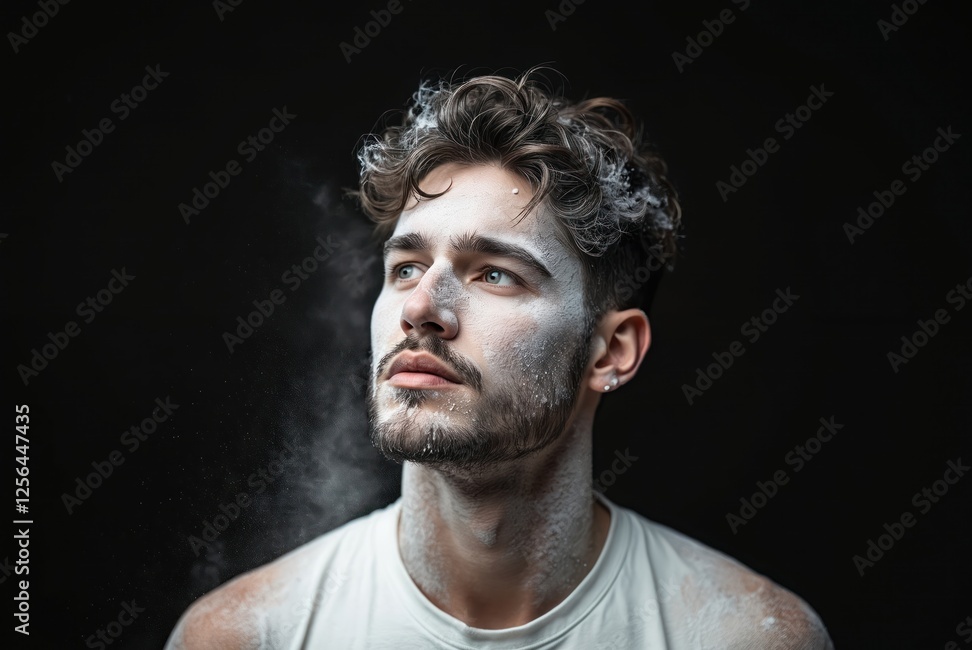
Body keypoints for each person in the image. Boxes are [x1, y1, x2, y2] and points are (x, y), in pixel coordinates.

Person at [167, 66, 834, 649]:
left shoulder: (746, 636)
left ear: (611, 350)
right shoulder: (242, 636)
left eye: (494, 274)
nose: (420, 307)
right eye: (406, 267)